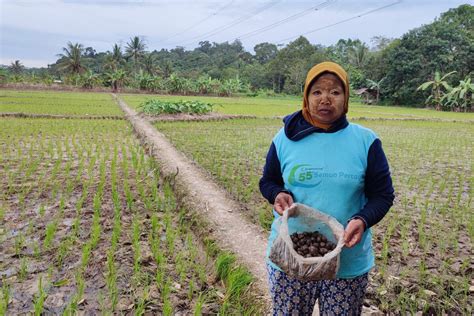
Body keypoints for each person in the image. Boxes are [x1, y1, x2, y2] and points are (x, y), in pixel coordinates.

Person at [259, 61, 394, 315]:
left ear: (346, 98)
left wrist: (363, 219)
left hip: (347, 261)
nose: (325, 99)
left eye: (335, 92)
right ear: (306, 96)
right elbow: (268, 181)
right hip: (291, 257)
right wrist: (278, 194)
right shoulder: (285, 138)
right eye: (317, 91)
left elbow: (383, 195)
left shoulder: (366, 141)